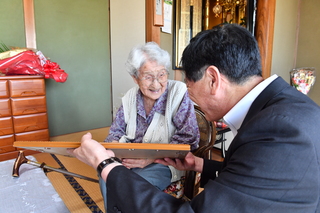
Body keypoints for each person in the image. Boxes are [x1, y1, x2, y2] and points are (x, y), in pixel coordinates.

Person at [68, 24, 320, 212]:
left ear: (213, 79)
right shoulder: (284, 111)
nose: (188, 94)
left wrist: (105, 163)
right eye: (147, 76)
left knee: (113, 177)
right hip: (138, 161)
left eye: (188, 85)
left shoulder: (279, 130)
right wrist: (201, 165)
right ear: (136, 78)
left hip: (158, 165)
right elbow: (253, 176)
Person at [98, 42, 200, 211]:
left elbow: (189, 138)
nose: (156, 83)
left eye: (161, 74)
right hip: (129, 159)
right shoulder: (130, 97)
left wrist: (150, 158)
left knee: (131, 185)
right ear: (135, 77)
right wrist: (115, 152)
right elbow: (115, 132)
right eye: (147, 76)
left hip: (165, 164)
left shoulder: (178, 92)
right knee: (107, 174)